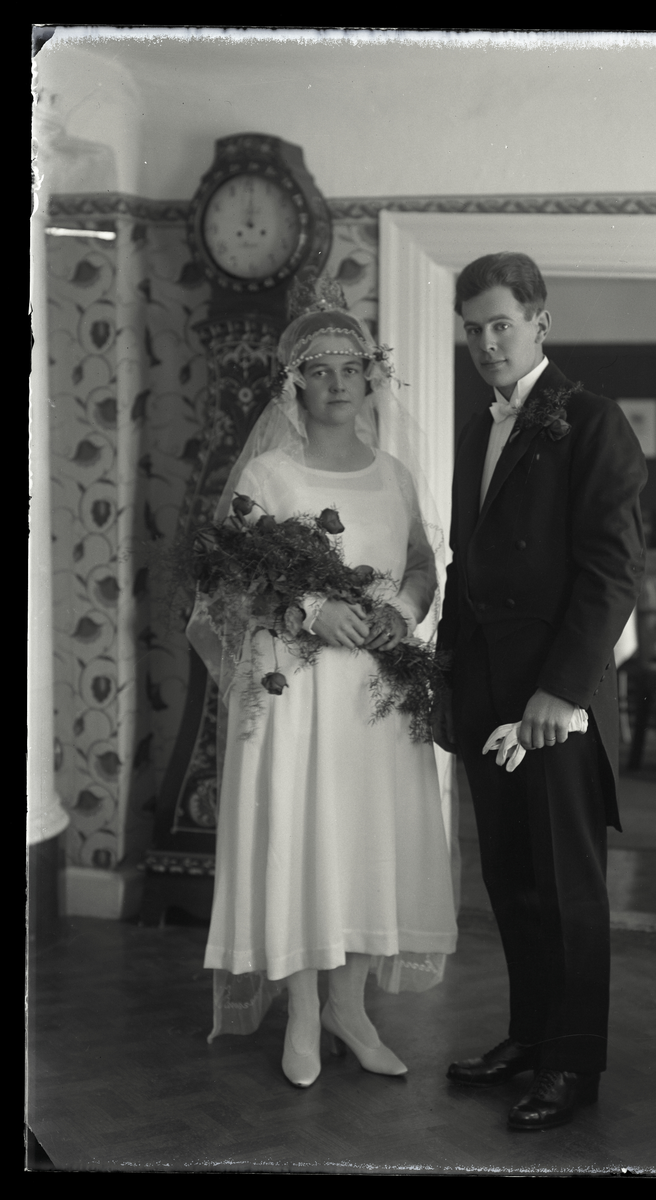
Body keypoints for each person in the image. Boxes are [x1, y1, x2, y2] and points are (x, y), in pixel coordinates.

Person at [188, 275, 457, 1089]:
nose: (338, 383)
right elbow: (229, 584)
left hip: (375, 689)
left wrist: (401, 613)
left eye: (351, 368)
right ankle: (303, 1012)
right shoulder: (269, 475)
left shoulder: (395, 476)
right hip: (294, 688)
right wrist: (309, 609)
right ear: (294, 383)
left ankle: (350, 1007)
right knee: (301, 835)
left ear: (371, 377)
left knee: (369, 837)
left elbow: (422, 565)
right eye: (320, 369)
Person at [434, 253, 647, 1131]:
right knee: (513, 879)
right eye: (473, 328)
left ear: (539, 323)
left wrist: (562, 693)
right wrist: (446, 678)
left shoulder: (592, 420)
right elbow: (467, 566)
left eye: (501, 324)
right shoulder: (475, 426)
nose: (486, 342)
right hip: (487, 687)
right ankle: (529, 1038)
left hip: (556, 698)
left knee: (566, 886)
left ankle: (571, 1064)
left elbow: (612, 570)